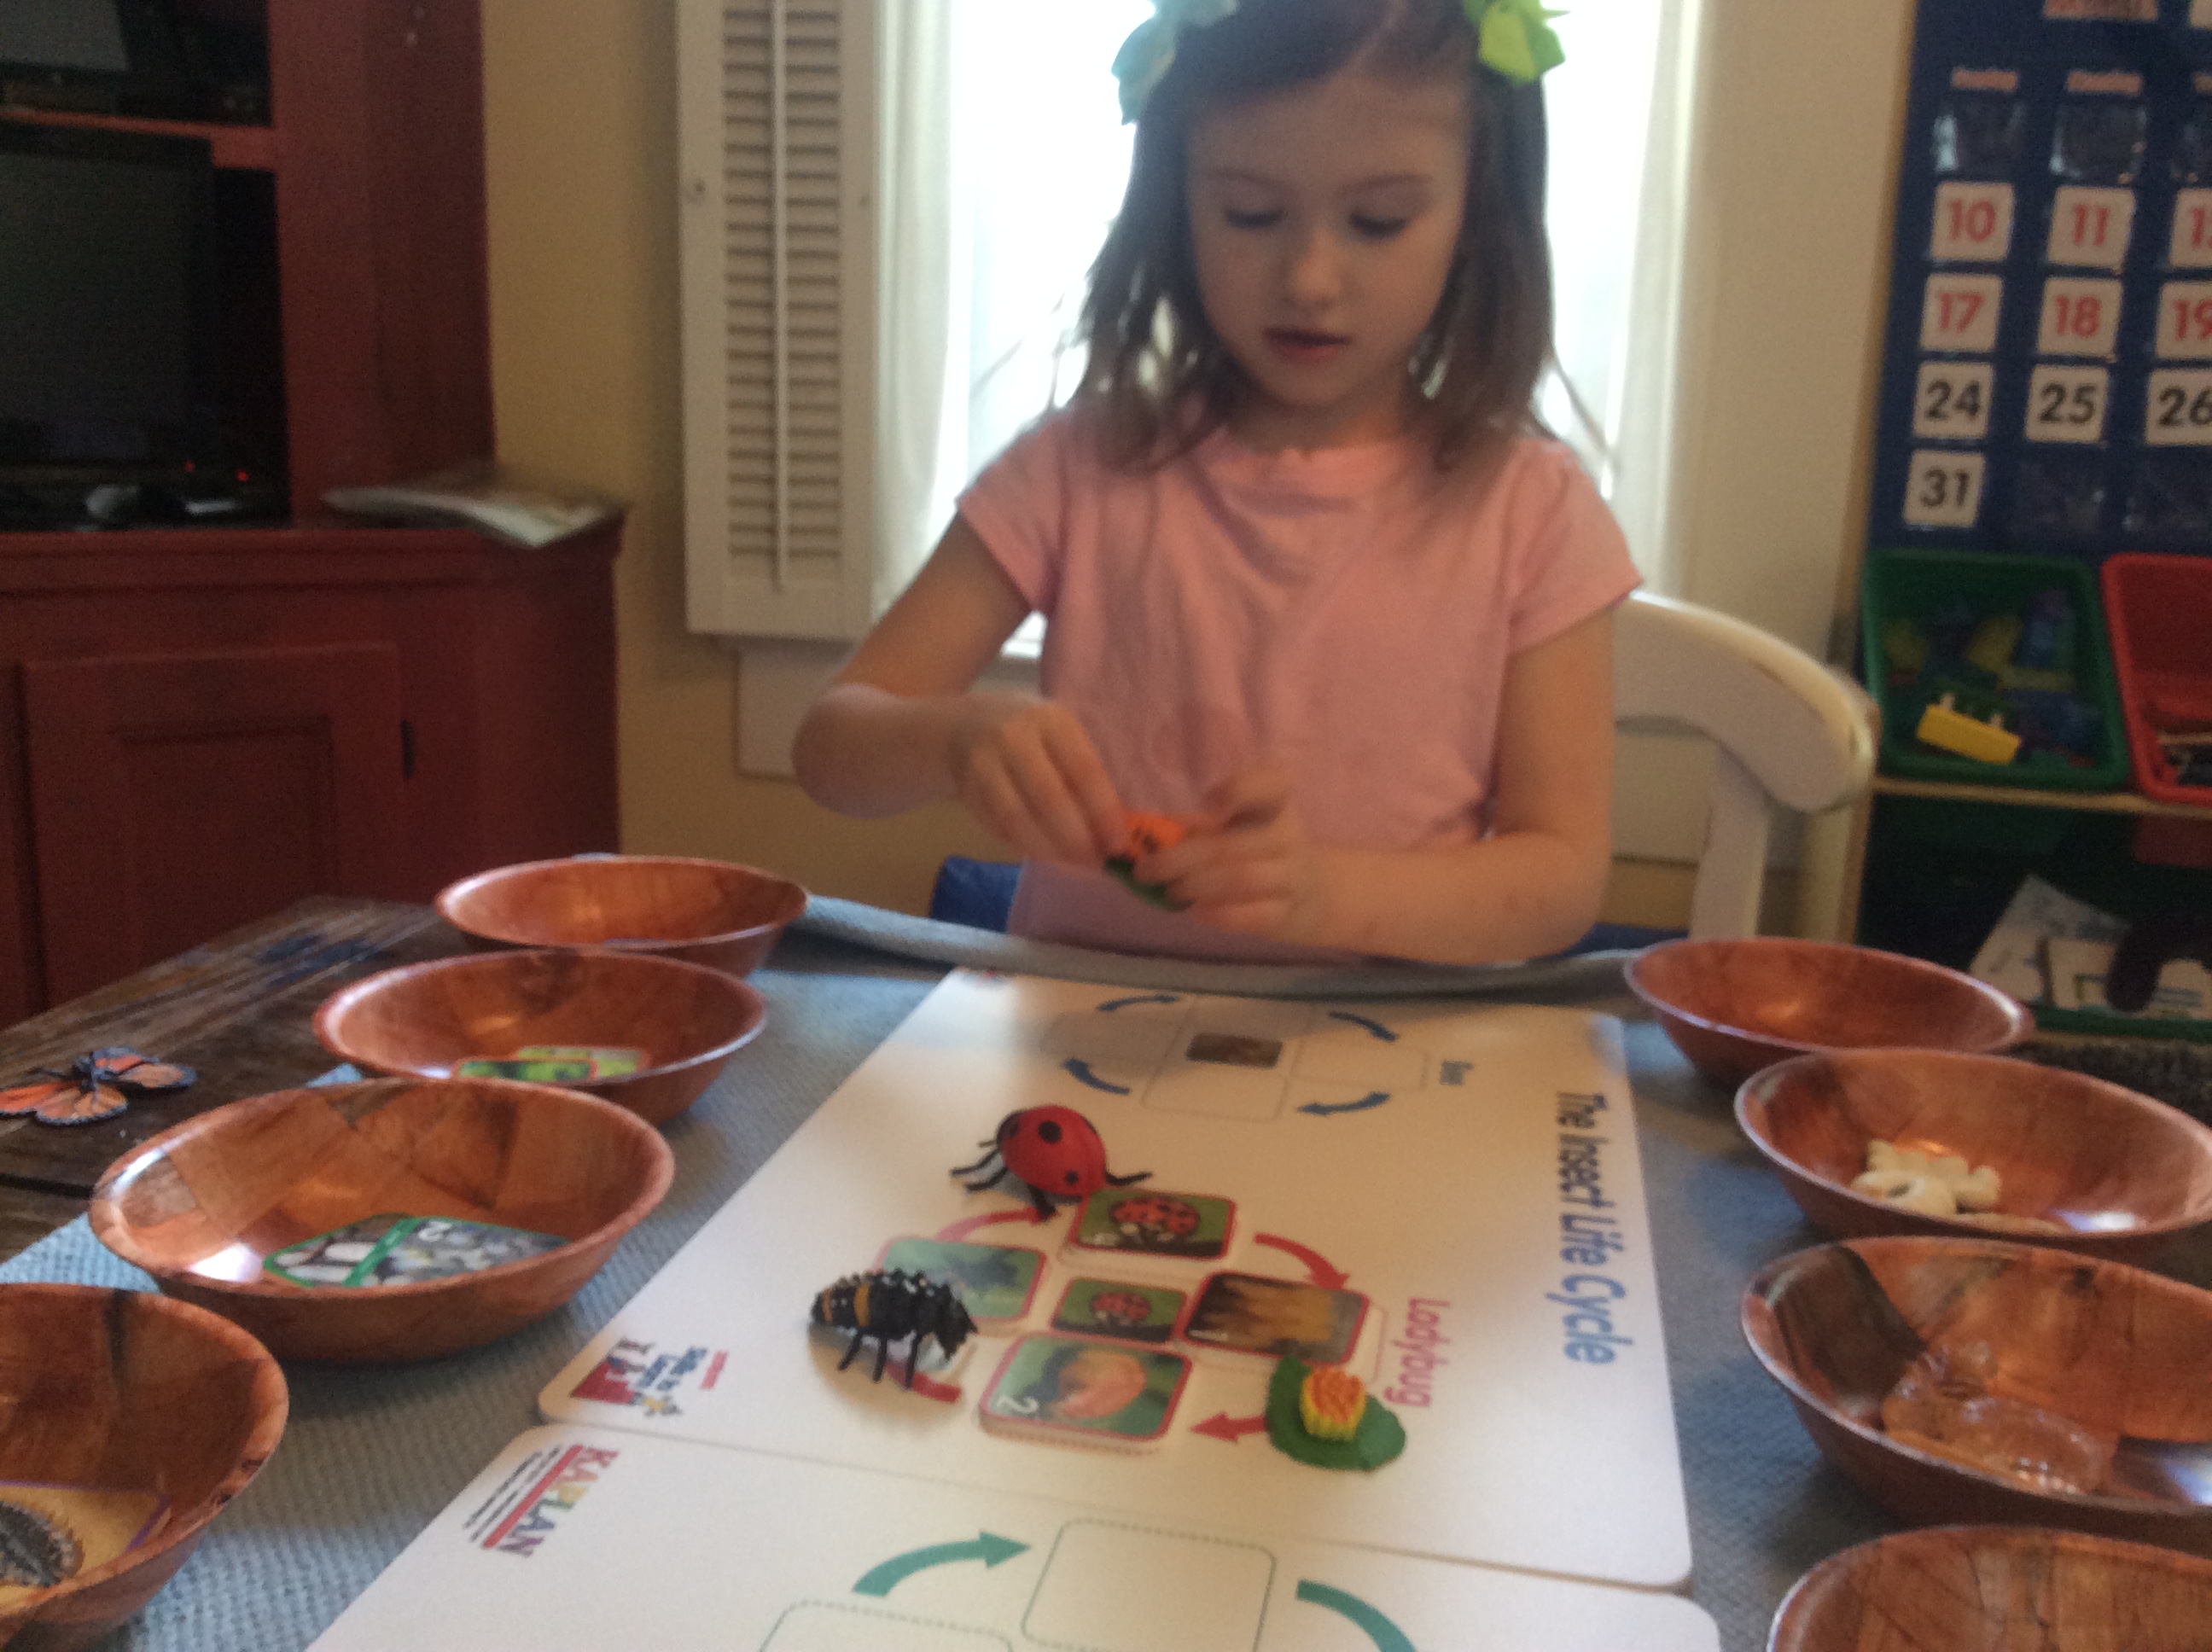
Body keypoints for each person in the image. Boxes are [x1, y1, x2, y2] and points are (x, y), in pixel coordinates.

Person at [793, 0, 1638, 966]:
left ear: (1478, 218)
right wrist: (953, 740)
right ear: (1176, 202)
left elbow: (1559, 878)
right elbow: (831, 749)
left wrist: (1323, 895)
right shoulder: (1079, 467)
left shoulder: (1532, 512)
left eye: (1378, 221)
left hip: (1390, 1039)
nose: (1310, 277)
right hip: (1078, 1030)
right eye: (1250, 213)